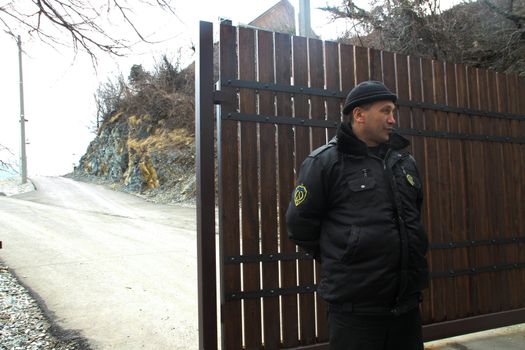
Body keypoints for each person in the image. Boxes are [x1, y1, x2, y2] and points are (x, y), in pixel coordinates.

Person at [286, 80, 429, 350]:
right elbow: (299, 225)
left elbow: (412, 215)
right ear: (359, 115)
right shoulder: (325, 162)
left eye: (393, 112)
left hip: (407, 308)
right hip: (356, 313)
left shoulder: (404, 162)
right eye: (385, 111)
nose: (392, 119)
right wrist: (342, 252)